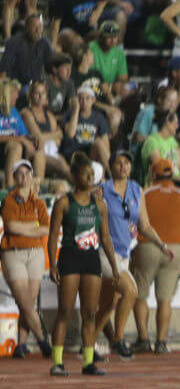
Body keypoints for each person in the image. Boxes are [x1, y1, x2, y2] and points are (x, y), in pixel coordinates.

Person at [47, 151, 121, 376]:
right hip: (70, 257)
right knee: (65, 311)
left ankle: (88, 362)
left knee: (90, 312)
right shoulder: (63, 202)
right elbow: (52, 236)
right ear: (75, 175)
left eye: (92, 175)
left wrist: (114, 266)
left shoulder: (100, 205)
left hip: (91, 259)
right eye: (86, 174)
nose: (90, 178)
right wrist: (52, 264)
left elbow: (106, 238)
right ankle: (57, 362)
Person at [96, 149, 173, 360]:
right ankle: (118, 339)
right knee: (130, 291)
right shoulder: (102, 191)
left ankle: (88, 343)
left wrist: (161, 244)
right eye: (119, 163)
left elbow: (145, 225)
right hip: (104, 252)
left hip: (123, 253)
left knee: (108, 305)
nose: (123, 167)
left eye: (127, 163)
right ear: (111, 167)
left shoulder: (137, 190)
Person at [131, 158, 180, 354]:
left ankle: (143, 339)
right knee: (165, 299)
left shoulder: (144, 193)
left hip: (149, 246)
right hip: (174, 249)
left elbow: (139, 219)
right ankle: (162, 342)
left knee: (140, 295)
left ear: (153, 174)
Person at [0, 159, 52, 359]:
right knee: (25, 301)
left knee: (27, 302)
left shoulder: (38, 202)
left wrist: (28, 229)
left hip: (35, 253)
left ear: (31, 176)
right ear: (14, 178)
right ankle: (41, 338)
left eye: (27, 173)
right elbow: (11, 227)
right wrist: (34, 229)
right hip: (13, 252)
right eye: (19, 174)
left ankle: (21, 345)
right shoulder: (9, 200)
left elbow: (46, 228)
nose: (23, 177)